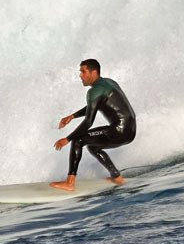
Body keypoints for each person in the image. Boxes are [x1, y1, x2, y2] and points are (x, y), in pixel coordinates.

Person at [51, 59, 136, 191]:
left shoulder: (94, 91)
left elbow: (88, 122)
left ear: (94, 72)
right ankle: (116, 177)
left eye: (83, 72)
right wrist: (72, 116)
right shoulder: (109, 82)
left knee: (78, 139)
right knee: (93, 147)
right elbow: (95, 105)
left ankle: (70, 183)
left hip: (119, 130)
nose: (80, 75)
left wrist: (67, 139)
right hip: (130, 130)